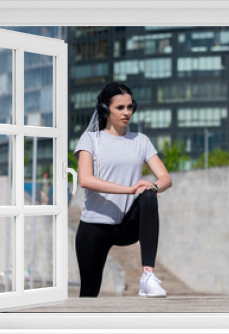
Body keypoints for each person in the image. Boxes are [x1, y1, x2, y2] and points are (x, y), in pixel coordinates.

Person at [73, 82, 172, 298]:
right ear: (104, 109)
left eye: (130, 107)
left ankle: (147, 275)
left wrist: (152, 186)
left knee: (148, 194)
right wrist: (128, 189)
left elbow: (165, 178)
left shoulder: (141, 141)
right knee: (88, 293)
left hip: (126, 225)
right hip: (94, 226)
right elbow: (85, 180)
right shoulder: (90, 139)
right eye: (120, 108)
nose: (127, 112)